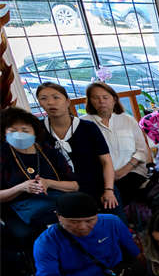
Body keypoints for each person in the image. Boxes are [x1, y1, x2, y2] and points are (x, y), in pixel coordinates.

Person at [2, 106, 79, 250]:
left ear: (34, 132)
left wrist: (49, 183)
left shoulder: (49, 151)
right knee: (26, 234)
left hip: (57, 201)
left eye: (25, 130)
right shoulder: (3, 155)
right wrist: (21, 187)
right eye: (12, 131)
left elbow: (75, 185)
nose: (19, 135)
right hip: (20, 209)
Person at [36, 82, 112, 207]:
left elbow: (106, 161)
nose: (50, 102)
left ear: (67, 101)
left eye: (56, 97)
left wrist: (109, 190)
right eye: (43, 98)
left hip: (97, 187)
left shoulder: (88, 127)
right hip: (59, 191)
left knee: (112, 215)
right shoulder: (37, 129)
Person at [84, 82, 151, 206]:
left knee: (121, 191)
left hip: (132, 171)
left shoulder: (127, 119)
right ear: (90, 101)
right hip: (101, 176)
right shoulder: (84, 123)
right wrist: (108, 176)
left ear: (114, 99)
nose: (101, 101)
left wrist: (123, 171)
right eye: (96, 98)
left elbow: (142, 150)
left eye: (105, 97)